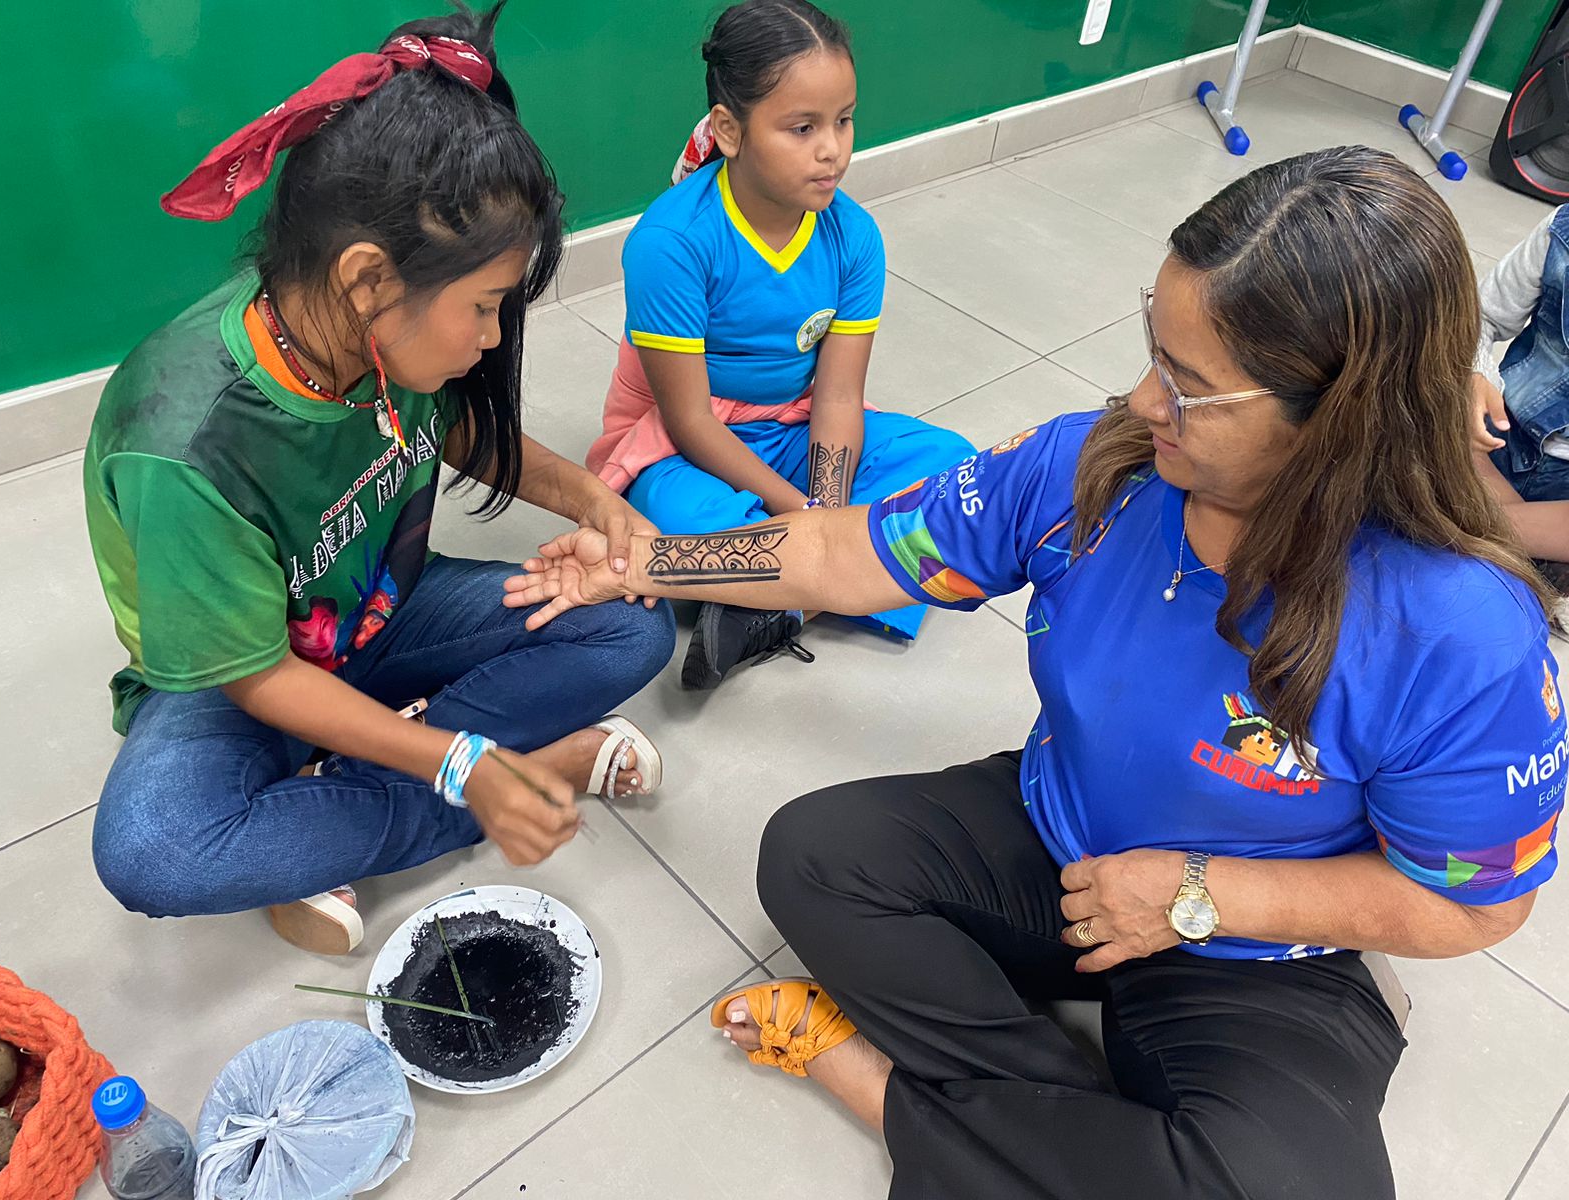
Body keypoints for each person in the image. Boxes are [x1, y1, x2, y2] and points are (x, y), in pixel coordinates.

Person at [506, 146, 1564, 1198]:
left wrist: (1199, 893)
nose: (1144, 401)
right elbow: (845, 552)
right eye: (1155, 353)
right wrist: (641, 563)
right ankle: (1082, 1151)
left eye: (1191, 388)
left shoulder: (1458, 629)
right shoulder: (1088, 468)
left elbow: (1478, 906)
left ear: (1338, 418)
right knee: (813, 859)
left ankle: (894, 1097)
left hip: (1264, 942)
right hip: (1063, 842)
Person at [84, 3, 673, 956]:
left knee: (630, 625)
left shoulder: (362, 329)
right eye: (484, 307)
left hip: (381, 613)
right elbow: (257, 674)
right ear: (367, 281)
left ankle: (334, 810)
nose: (492, 336)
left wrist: (598, 503)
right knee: (155, 851)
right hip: (243, 678)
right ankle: (512, 769)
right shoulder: (184, 444)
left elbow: (456, 429)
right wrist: (463, 763)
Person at [585, 0, 973, 690]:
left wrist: (825, 509)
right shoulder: (671, 243)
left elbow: (839, 396)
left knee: (953, 470)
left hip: (792, 427)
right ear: (729, 130)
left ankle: (780, 605)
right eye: (803, 128)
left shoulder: (854, 236)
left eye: (844, 120)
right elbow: (689, 421)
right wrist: (812, 523)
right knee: (674, 515)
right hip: (681, 445)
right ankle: (834, 577)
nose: (833, 150)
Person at [1469, 204, 1569, 583]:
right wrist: (1475, 375)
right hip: (1501, 430)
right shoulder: (1560, 234)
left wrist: (1474, 520)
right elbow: (1480, 316)